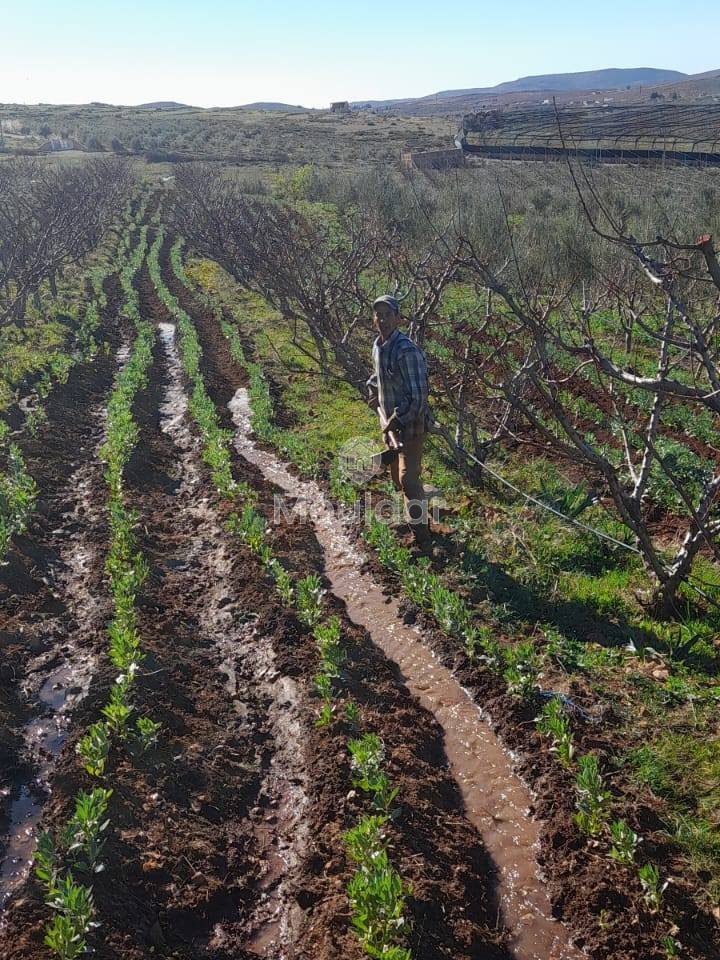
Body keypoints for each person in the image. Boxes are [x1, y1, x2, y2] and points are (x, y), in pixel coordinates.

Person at [366, 295, 432, 547]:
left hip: (411, 425)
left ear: (397, 318)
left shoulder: (406, 351)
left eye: (387, 315)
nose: (382, 320)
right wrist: (373, 390)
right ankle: (413, 516)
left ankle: (422, 537)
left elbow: (418, 397)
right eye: (378, 315)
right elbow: (379, 375)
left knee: (409, 480)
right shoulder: (378, 346)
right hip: (390, 426)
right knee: (397, 477)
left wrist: (397, 419)